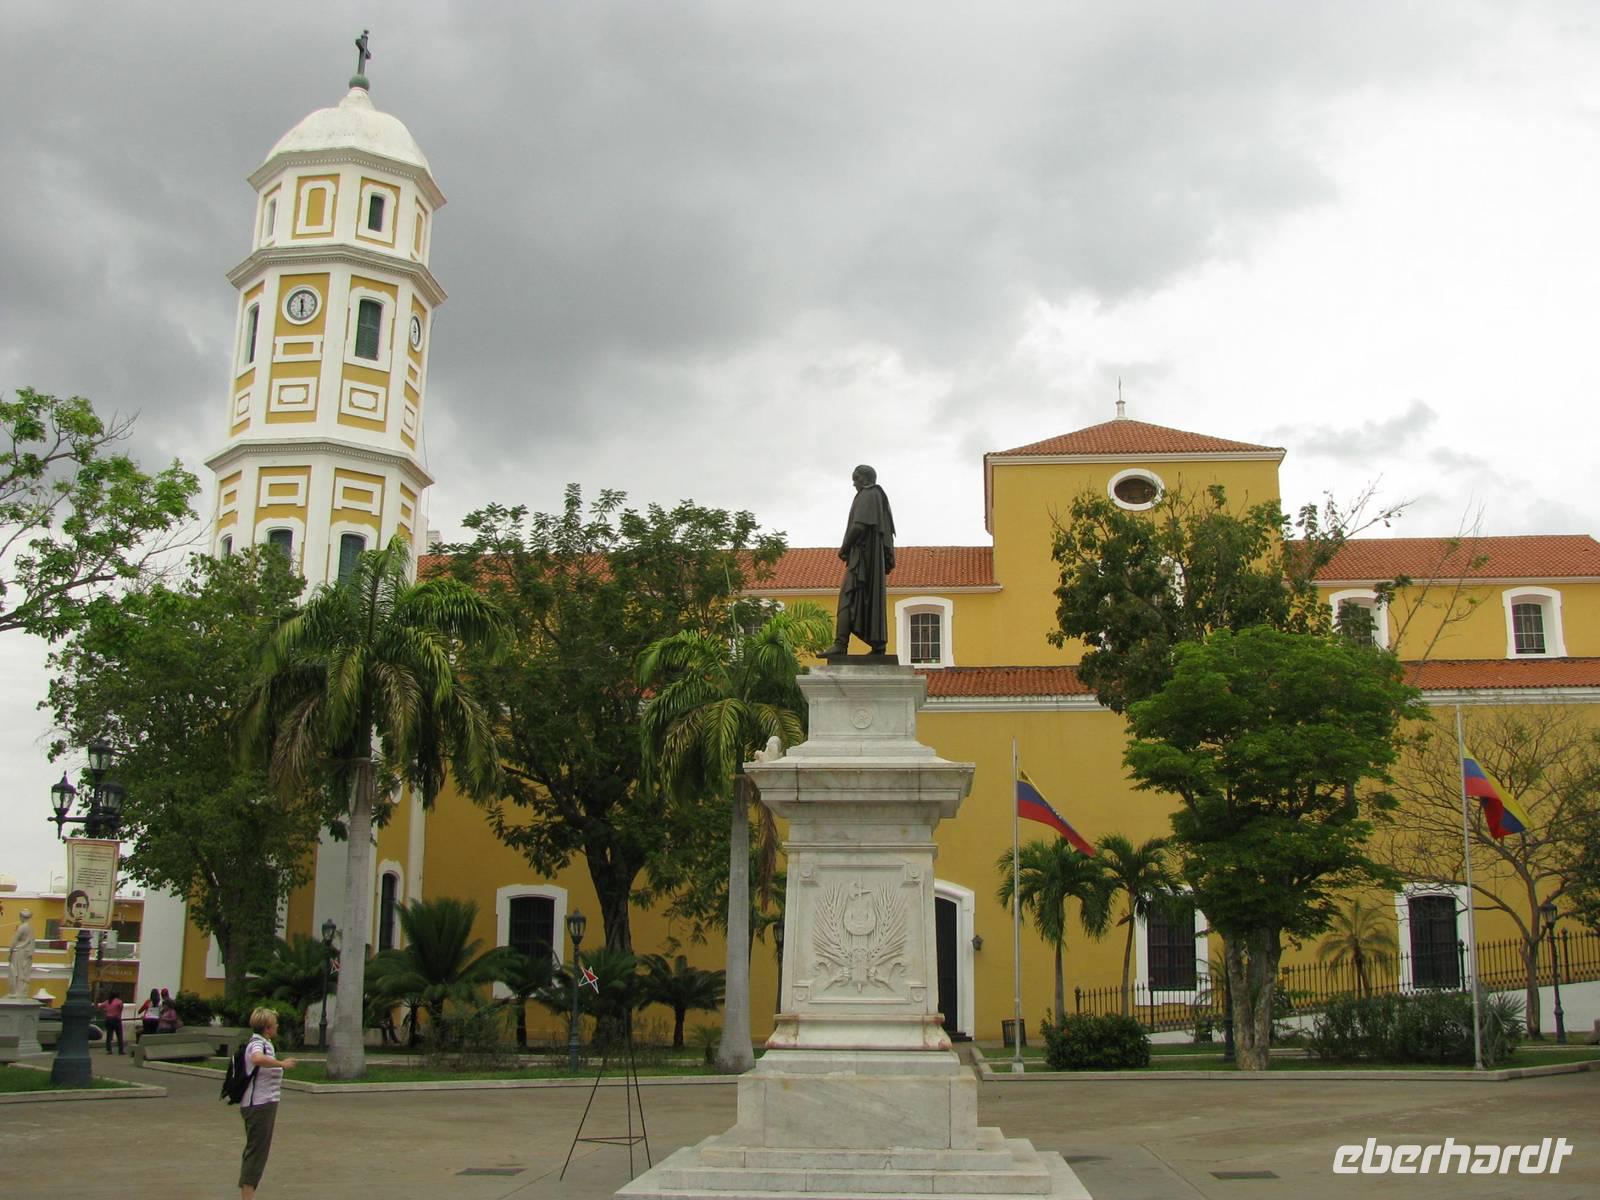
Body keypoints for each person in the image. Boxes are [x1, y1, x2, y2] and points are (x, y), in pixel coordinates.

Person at [819, 464, 896, 656]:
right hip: (868, 557)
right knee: (865, 599)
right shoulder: (878, 497)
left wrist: (844, 548)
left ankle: (841, 644)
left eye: (856, 479)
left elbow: (858, 526)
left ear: (865, 479)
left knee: (847, 596)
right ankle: (877, 646)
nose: (854, 484)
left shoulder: (869, 494)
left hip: (863, 558)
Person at [238, 1007, 297, 1200]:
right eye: (275, 1024)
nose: (278, 1026)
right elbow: (256, 1058)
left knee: (258, 1151)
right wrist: (281, 1064)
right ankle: (247, 1195)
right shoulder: (258, 1043)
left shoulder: (265, 1043)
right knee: (256, 1152)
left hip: (266, 1103)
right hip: (259, 1105)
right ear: (268, 1028)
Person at [6, 908, 34, 998]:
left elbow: (15, 940)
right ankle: (20, 991)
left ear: (22, 917)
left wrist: (10, 950)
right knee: (22, 971)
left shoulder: (22, 927)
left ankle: (17, 991)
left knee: (16, 971)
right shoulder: (29, 927)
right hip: (25, 952)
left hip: (18, 951)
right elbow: (32, 941)